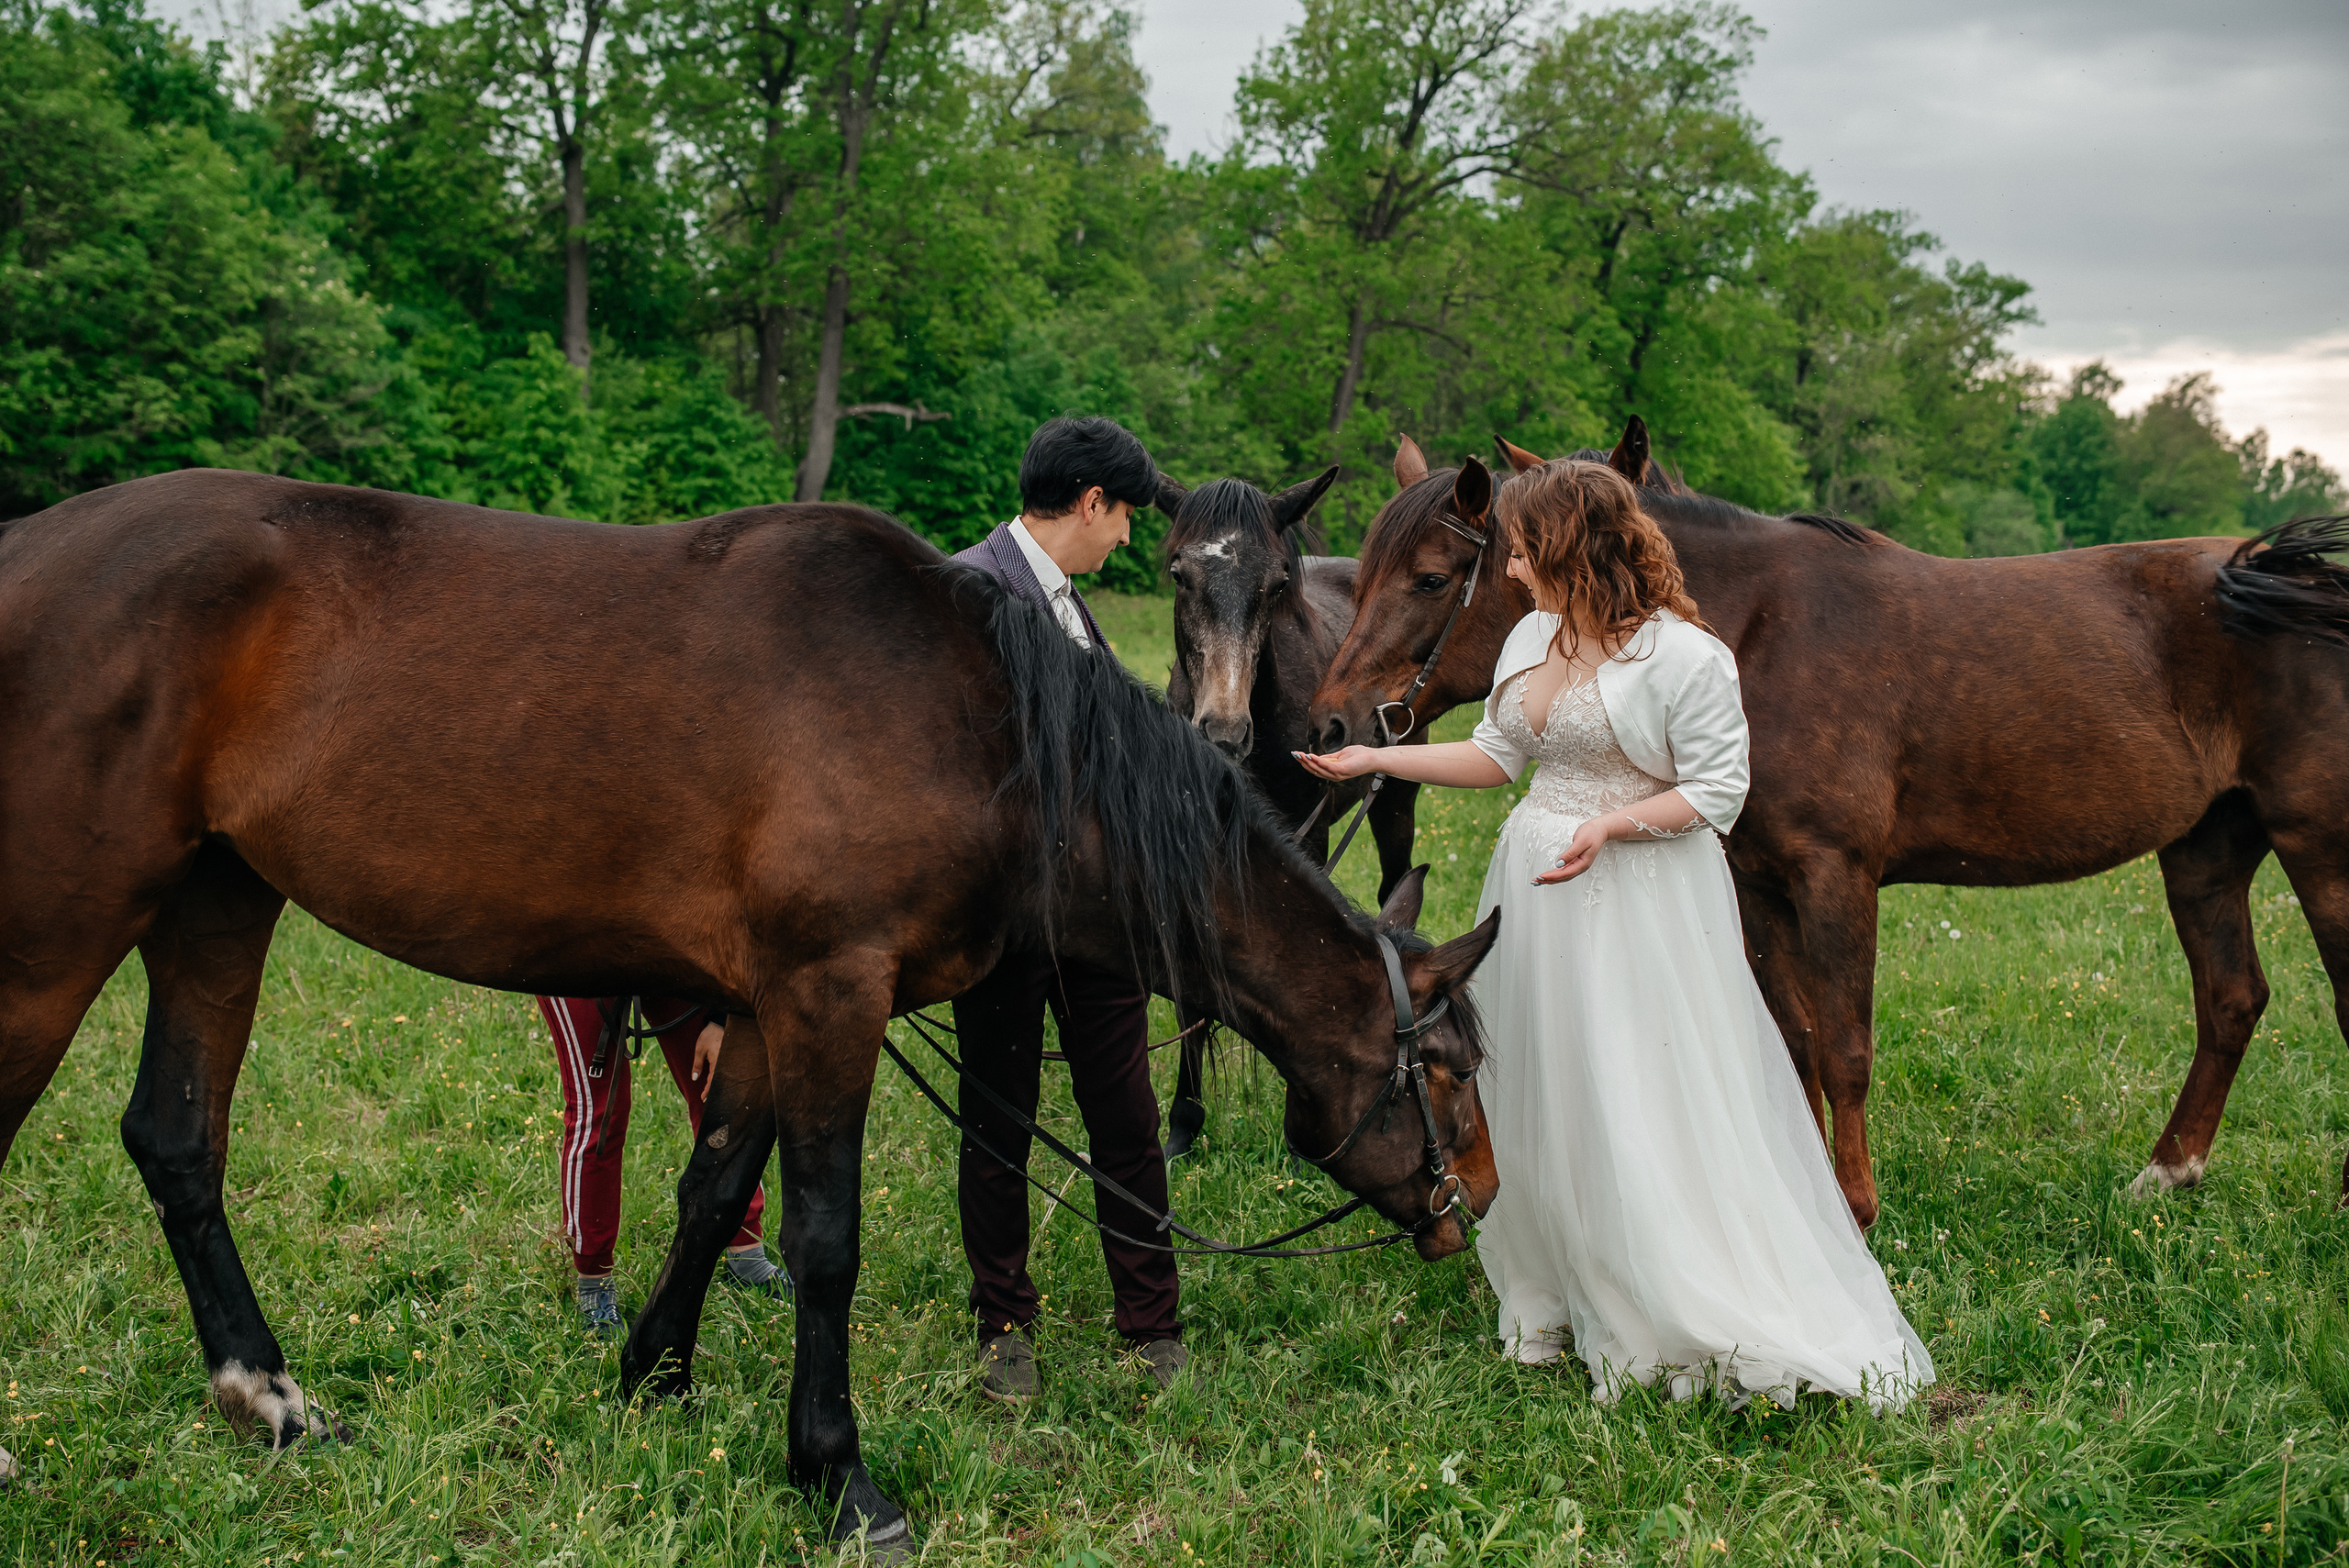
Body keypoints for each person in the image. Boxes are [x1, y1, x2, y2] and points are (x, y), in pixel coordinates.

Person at [1300, 458, 1932, 1411]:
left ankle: (1657, 1296)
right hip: (1537, 885)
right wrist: (1375, 754)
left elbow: (1718, 792)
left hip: (1637, 892)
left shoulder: (1684, 656)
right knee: (1542, 1079)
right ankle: (1553, 1283)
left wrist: (1611, 823)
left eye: (1522, 552)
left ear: (1567, 548)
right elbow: (1495, 755)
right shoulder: (1528, 639)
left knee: (1633, 1080)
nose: (1510, 570)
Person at [945, 416, 1189, 1400]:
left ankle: (1152, 1318)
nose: (1126, 536)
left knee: (1125, 1114)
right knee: (998, 1120)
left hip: (1100, 916)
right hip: (1005, 918)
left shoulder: (1071, 603)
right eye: (1125, 515)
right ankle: (1003, 1320)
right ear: (1090, 502)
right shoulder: (966, 591)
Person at [540, 996, 790, 1334]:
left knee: (719, 1090)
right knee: (600, 1110)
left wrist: (721, 1018)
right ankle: (593, 1281)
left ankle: (746, 1255)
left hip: (667, 947)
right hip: (578, 952)